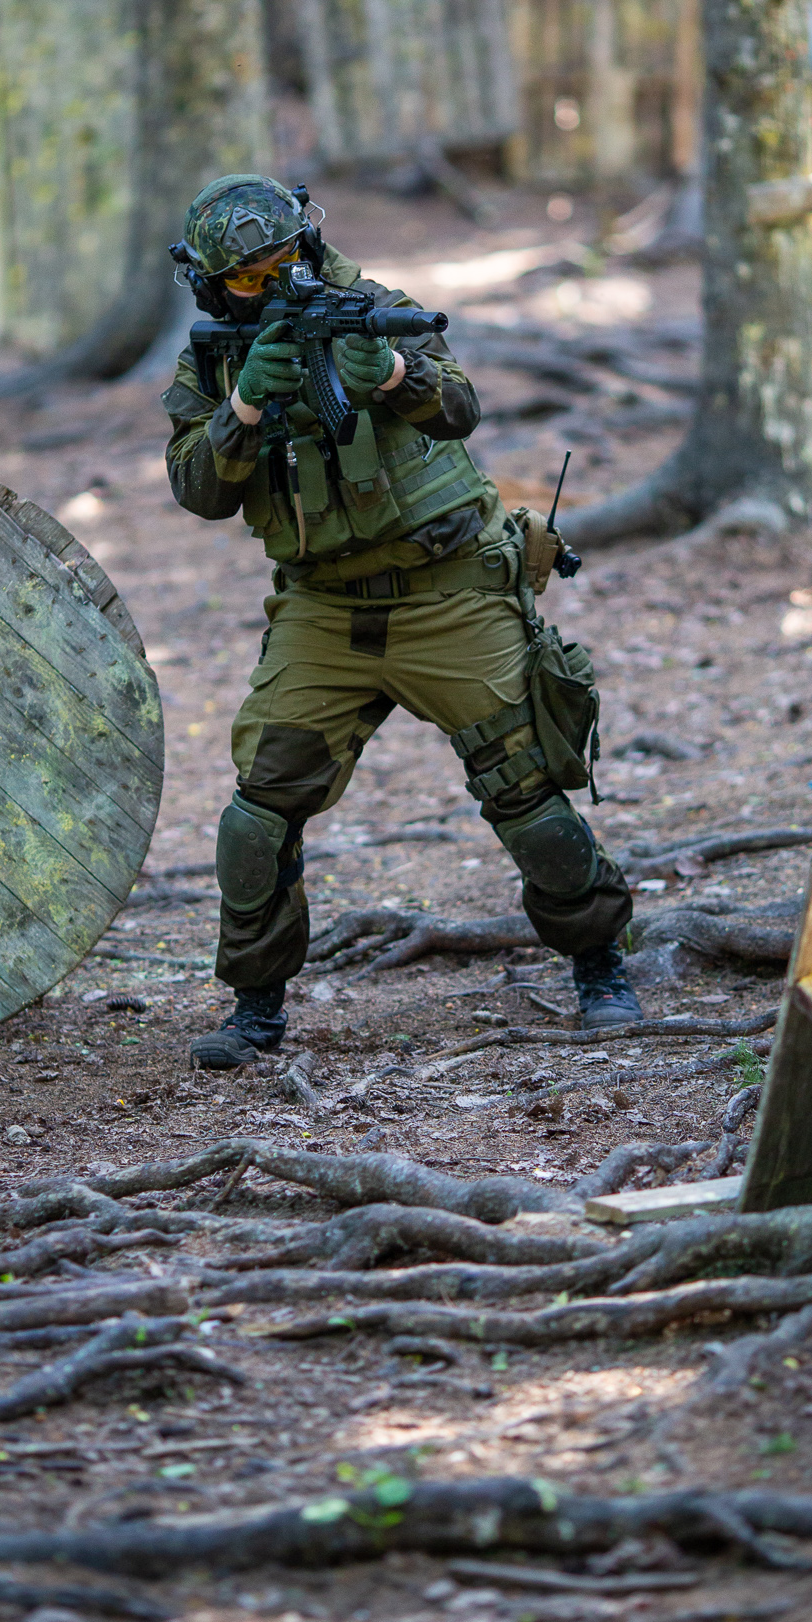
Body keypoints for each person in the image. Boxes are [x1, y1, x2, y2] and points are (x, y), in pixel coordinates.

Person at [161, 174, 640, 1070]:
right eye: (248, 280)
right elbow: (198, 490)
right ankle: (255, 1009)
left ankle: (599, 964)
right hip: (322, 609)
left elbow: (460, 408)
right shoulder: (215, 362)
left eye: (283, 264)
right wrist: (244, 408)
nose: (272, 286)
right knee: (259, 811)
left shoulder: (375, 307)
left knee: (525, 788)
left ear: (308, 246)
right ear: (213, 285)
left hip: (447, 589)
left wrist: (388, 373)